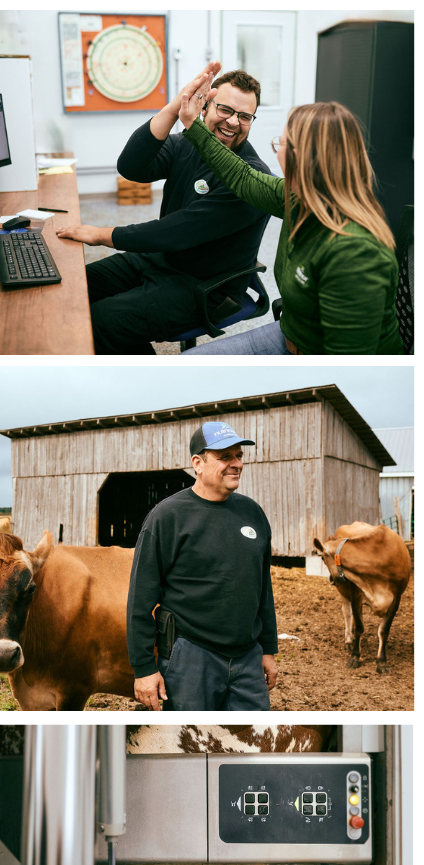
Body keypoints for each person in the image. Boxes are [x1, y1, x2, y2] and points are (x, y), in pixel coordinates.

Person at [178, 61, 403, 354]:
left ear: (301, 157)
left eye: (281, 143)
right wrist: (192, 125)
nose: (276, 149)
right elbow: (241, 176)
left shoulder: (355, 254)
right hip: (290, 334)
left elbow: (347, 364)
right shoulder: (300, 199)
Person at [56, 69, 271, 353]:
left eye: (245, 116)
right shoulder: (188, 143)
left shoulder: (250, 177)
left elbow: (178, 231)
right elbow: (131, 166)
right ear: (205, 105)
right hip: (163, 259)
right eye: (225, 109)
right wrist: (174, 107)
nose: (233, 121)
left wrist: (103, 234)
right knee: (72, 289)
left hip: (205, 286)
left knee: (97, 322)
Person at [127, 422, 278, 711]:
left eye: (239, 456)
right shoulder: (168, 517)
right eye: (225, 457)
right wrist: (144, 668)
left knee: (248, 746)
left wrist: (268, 648)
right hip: (190, 658)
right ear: (198, 463)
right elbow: (139, 600)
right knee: (189, 745)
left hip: (247, 659)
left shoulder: (252, 513)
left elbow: (262, 588)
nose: (236, 464)